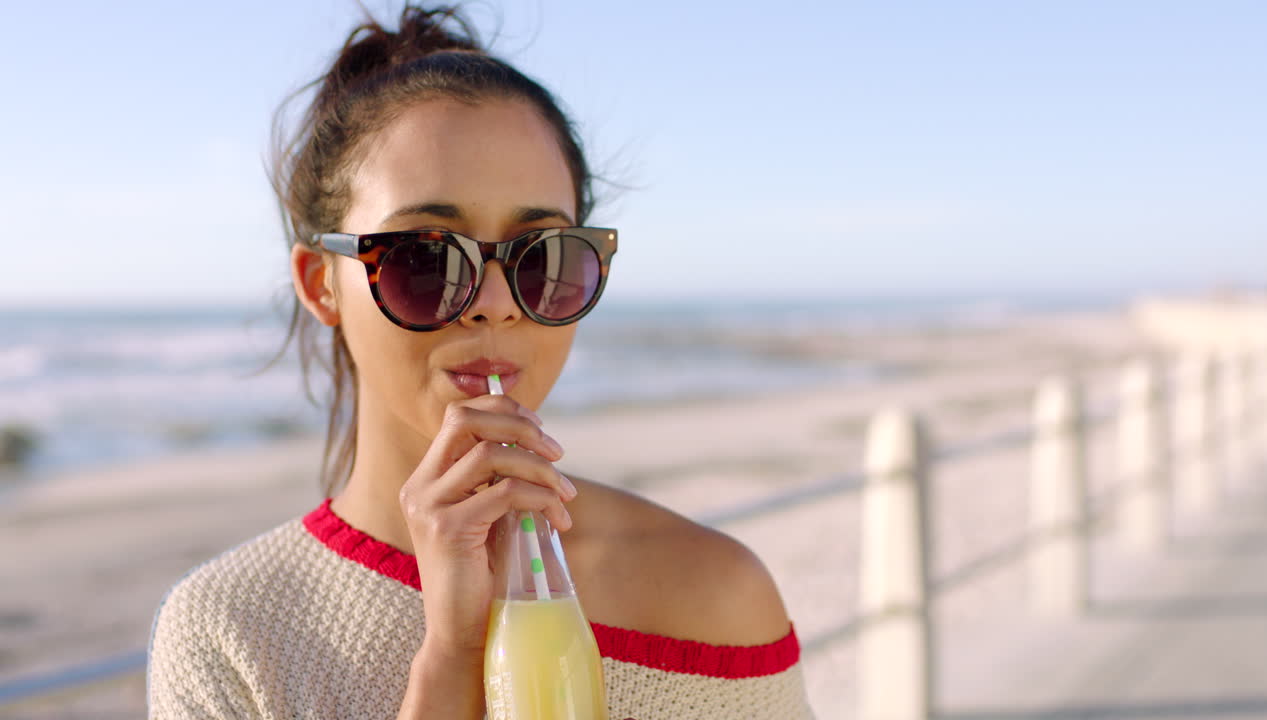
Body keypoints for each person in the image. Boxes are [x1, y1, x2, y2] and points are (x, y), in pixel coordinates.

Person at [147, 5, 816, 718]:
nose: (495, 304)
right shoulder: (229, 636)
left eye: (544, 257)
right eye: (425, 258)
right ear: (321, 284)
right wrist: (451, 658)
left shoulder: (714, 594)